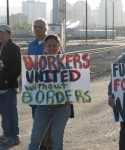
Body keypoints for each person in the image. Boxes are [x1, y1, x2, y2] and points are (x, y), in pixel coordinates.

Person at [28, 34, 71, 150]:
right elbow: (32, 83)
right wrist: (31, 97)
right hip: (42, 107)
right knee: (35, 140)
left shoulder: (68, 63)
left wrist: (71, 98)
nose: (51, 48)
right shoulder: (36, 64)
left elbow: (76, 84)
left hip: (62, 107)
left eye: (54, 45)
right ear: (44, 48)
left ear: (60, 47)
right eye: (49, 46)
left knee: (57, 141)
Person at [28, 18, 52, 150]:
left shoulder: (52, 43)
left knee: (49, 124)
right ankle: (42, 146)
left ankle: (48, 146)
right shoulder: (31, 45)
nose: (37, 29)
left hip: (50, 89)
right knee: (37, 121)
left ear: (45, 29)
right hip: (36, 89)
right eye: (35, 26)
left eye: (40, 27)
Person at [0, 24, 21, 145]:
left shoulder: (14, 48)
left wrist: (7, 80)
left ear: (10, 34)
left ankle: (14, 136)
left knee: (11, 111)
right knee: (3, 111)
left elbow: (17, 68)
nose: (1, 35)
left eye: (3, 33)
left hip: (9, 87)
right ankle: (6, 133)